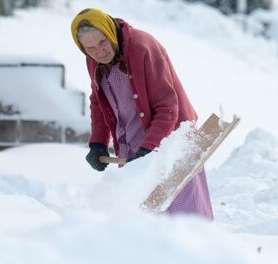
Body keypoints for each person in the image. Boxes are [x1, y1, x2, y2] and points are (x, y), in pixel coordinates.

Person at [71, 8, 213, 220]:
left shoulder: (141, 48)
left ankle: (196, 251)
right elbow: (98, 101)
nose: (99, 51)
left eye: (103, 42)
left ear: (110, 33)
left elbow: (168, 108)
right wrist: (98, 143)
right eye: (90, 48)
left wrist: (149, 149)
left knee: (181, 211)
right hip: (132, 143)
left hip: (170, 139)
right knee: (140, 213)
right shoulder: (94, 60)